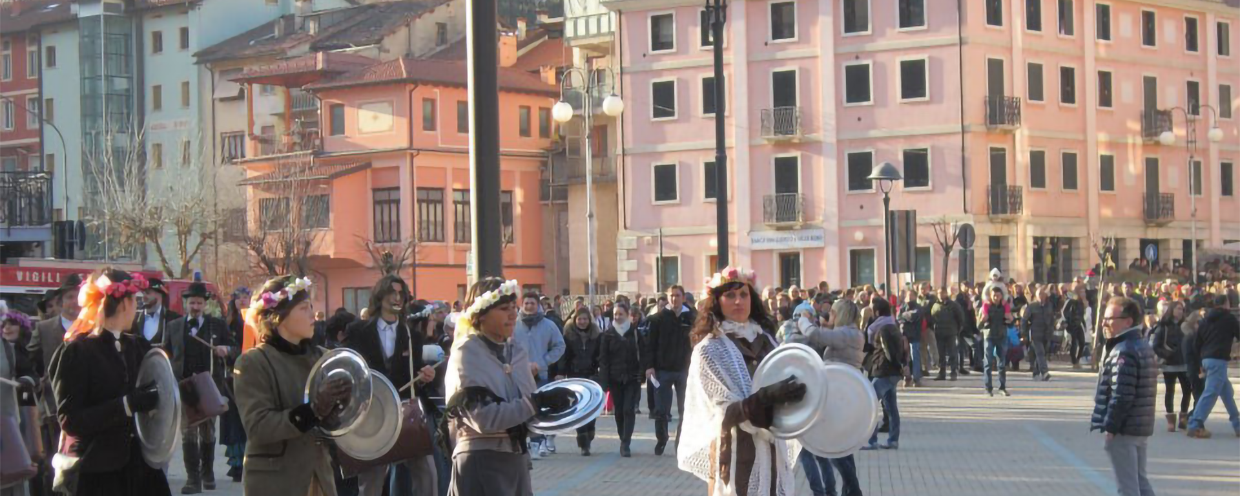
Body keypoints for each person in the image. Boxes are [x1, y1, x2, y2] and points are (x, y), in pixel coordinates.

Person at [677, 267, 805, 495]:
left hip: (773, 449)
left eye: (744, 295)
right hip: (736, 451)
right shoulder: (709, 349)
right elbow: (724, 412)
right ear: (717, 301)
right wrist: (766, 397)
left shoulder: (767, 341)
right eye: (730, 295)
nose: (738, 301)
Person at [442, 278, 575, 496]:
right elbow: (482, 418)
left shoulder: (516, 349)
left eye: (515, 307)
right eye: (504, 309)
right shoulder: (466, 352)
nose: (513, 314)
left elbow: (529, 411)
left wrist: (553, 409)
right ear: (480, 314)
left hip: (516, 459)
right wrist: (535, 403)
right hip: (480, 461)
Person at [47, 268, 171, 496]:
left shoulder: (137, 346)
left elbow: (161, 393)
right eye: (135, 300)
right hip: (97, 469)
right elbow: (69, 419)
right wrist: (125, 405)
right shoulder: (78, 351)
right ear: (124, 303)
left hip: (141, 467)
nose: (137, 307)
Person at [233, 275, 341, 496]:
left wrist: (340, 408)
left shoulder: (324, 358)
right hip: (275, 482)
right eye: (303, 309)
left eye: (311, 307)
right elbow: (258, 426)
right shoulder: (254, 362)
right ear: (278, 317)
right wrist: (312, 411)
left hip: (319, 479)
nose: (313, 315)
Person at [342, 275, 435, 496]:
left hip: (405, 412)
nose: (397, 297)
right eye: (392, 292)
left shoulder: (412, 335)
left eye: (401, 293)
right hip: (373, 413)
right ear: (380, 295)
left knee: (427, 472)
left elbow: (415, 373)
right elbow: (349, 367)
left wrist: (425, 375)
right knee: (371, 480)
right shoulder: (358, 330)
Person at [786, 298, 866, 496]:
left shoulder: (846, 334)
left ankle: (853, 490)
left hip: (838, 397)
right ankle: (850, 490)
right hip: (841, 394)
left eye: (833, 313)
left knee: (834, 449)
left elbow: (815, 335)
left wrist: (804, 320)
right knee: (843, 451)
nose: (830, 316)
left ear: (840, 314)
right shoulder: (850, 333)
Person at [165, 283, 235, 494]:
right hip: (184, 386)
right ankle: (192, 479)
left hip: (209, 385)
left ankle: (208, 473)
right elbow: (167, 356)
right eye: (192, 302)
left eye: (199, 303)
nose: (195, 306)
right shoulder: (174, 326)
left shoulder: (217, 325)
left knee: (207, 432)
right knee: (188, 434)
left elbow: (234, 348)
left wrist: (227, 349)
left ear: (205, 304)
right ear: (186, 304)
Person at [1092, 297, 1157, 496]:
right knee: (1139, 481)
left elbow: (1122, 394)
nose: (1104, 323)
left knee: (1128, 487)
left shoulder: (1124, 350)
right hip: (1139, 426)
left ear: (1127, 321)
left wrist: (1111, 425)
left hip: (1125, 427)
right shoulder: (1140, 344)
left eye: (1110, 318)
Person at [643, 285, 697, 456]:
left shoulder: (692, 318)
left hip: (684, 370)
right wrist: (649, 366)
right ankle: (661, 438)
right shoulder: (657, 319)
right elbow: (649, 345)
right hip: (663, 370)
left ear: (683, 297)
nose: (674, 299)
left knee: (686, 409)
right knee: (660, 409)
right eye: (671, 296)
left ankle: (680, 442)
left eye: (678, 295)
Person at [511, 292, 565, 458]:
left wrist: (541, 363)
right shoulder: (513, 324)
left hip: (539, 375)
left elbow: (559, 346)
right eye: (526, 303)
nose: (528, 306)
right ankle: (522, 442)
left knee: (538, 409)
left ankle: (538, 442)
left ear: (538, 305)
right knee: (520, 410)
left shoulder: (548, 325)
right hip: (517, 375)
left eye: (532, 303)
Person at [1185, 294, 1240, 439]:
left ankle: (1237, 424)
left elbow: (1196, 343)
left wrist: (1200, 363)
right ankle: (1195, 423)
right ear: (1226, 304)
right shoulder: (1229, 319)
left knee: (1227, 393)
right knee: (1210, 393)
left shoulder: (1205, 321)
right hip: (1219, 359)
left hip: (1206, 359)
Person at [598, 302, 641, 457]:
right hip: (615, 378)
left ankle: (626, 442)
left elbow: (643, 353)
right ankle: (622, 436)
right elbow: (603, 359)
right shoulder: (608, 335)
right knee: (619, 412)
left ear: (627, 314)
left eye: (620, 314)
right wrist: (604, 381)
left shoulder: (635, 332)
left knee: (629, 409)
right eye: (615, 314)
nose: (617, 317)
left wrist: (642, 373)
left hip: (632, 378)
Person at [558, 307, 601, 455]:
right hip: (575, 375)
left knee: (591, 408)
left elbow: (601, 355)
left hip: (592, 375)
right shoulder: (568, 335)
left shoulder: (597, 336)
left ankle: (590, 430)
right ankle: (583, 443)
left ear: (589, 320)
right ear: (574, 320)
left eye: (585, 319)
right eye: (579, 319)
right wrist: (561, 372)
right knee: (579, 409)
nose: (582, 322)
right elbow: (564, 356)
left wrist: (600, 371)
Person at [862, 296, 903, 450]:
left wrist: (896, 365)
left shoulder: (883, 329)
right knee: (891, 406)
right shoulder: (892, 324)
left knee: (870, 403)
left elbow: (889, 352)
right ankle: (893, 440)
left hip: (884, 370)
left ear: (877, 311)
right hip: (890, 371)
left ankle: (871, 441)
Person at [1150, 300, 1190, 432]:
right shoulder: (1164, 325)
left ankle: (1184, 417)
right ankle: (1171, 420)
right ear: (1172, 310)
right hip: (1170, 363)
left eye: (1182, 309)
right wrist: (1167, 354)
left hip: (1184, 363)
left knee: (1187, 390)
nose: (1180, 311)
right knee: (1170, 391)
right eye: (1178, 308)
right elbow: (1156, 345)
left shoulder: (1186, 325)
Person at [978, 287, 1013, 397]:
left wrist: (1011, 319)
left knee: (1001, 363)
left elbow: (1010, 324)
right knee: (988, 362)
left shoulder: (1005, 307)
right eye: (994, 295)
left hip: (1001, 336)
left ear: (1001, 296)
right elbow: (978, 326)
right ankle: (988, 388)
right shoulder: (986, 306)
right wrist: (982, 320)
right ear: (990, 295)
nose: (996, 297)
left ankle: (1002, 387)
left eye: (998, 295)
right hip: (989, 336)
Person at [130, 278, 180, 349]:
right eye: (142, 293)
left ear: (160, 294)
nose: (143, 297)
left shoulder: (173, 319)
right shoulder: (134, 318)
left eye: (147, 292)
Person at [930, 288, 964, 381]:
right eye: (939, 293)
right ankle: (942, 373)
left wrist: (957, 331)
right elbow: (932, 318)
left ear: (946, 293)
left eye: (942, 293)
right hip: (939, 333)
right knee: (941, 355)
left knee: (952, 353)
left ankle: (953, 372)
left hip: (951, 333)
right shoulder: (935, 305)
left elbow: (960, 318)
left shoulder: (954, 305)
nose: (940, 295)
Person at [1022, 288, 1056, 382]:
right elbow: (1024, 320)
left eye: (1043, 294)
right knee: (1040, 352)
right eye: (1039, 294)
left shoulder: (1049, 306)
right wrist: (1024, 333)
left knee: (1041, 353)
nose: (1041, 296)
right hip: (1035, 334)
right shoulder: (1032, 306)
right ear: (1036, 296)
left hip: (1046, 334)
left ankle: (1036, 372)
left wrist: (1052, 329)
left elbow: (1052, 319)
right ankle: (1045, 372)